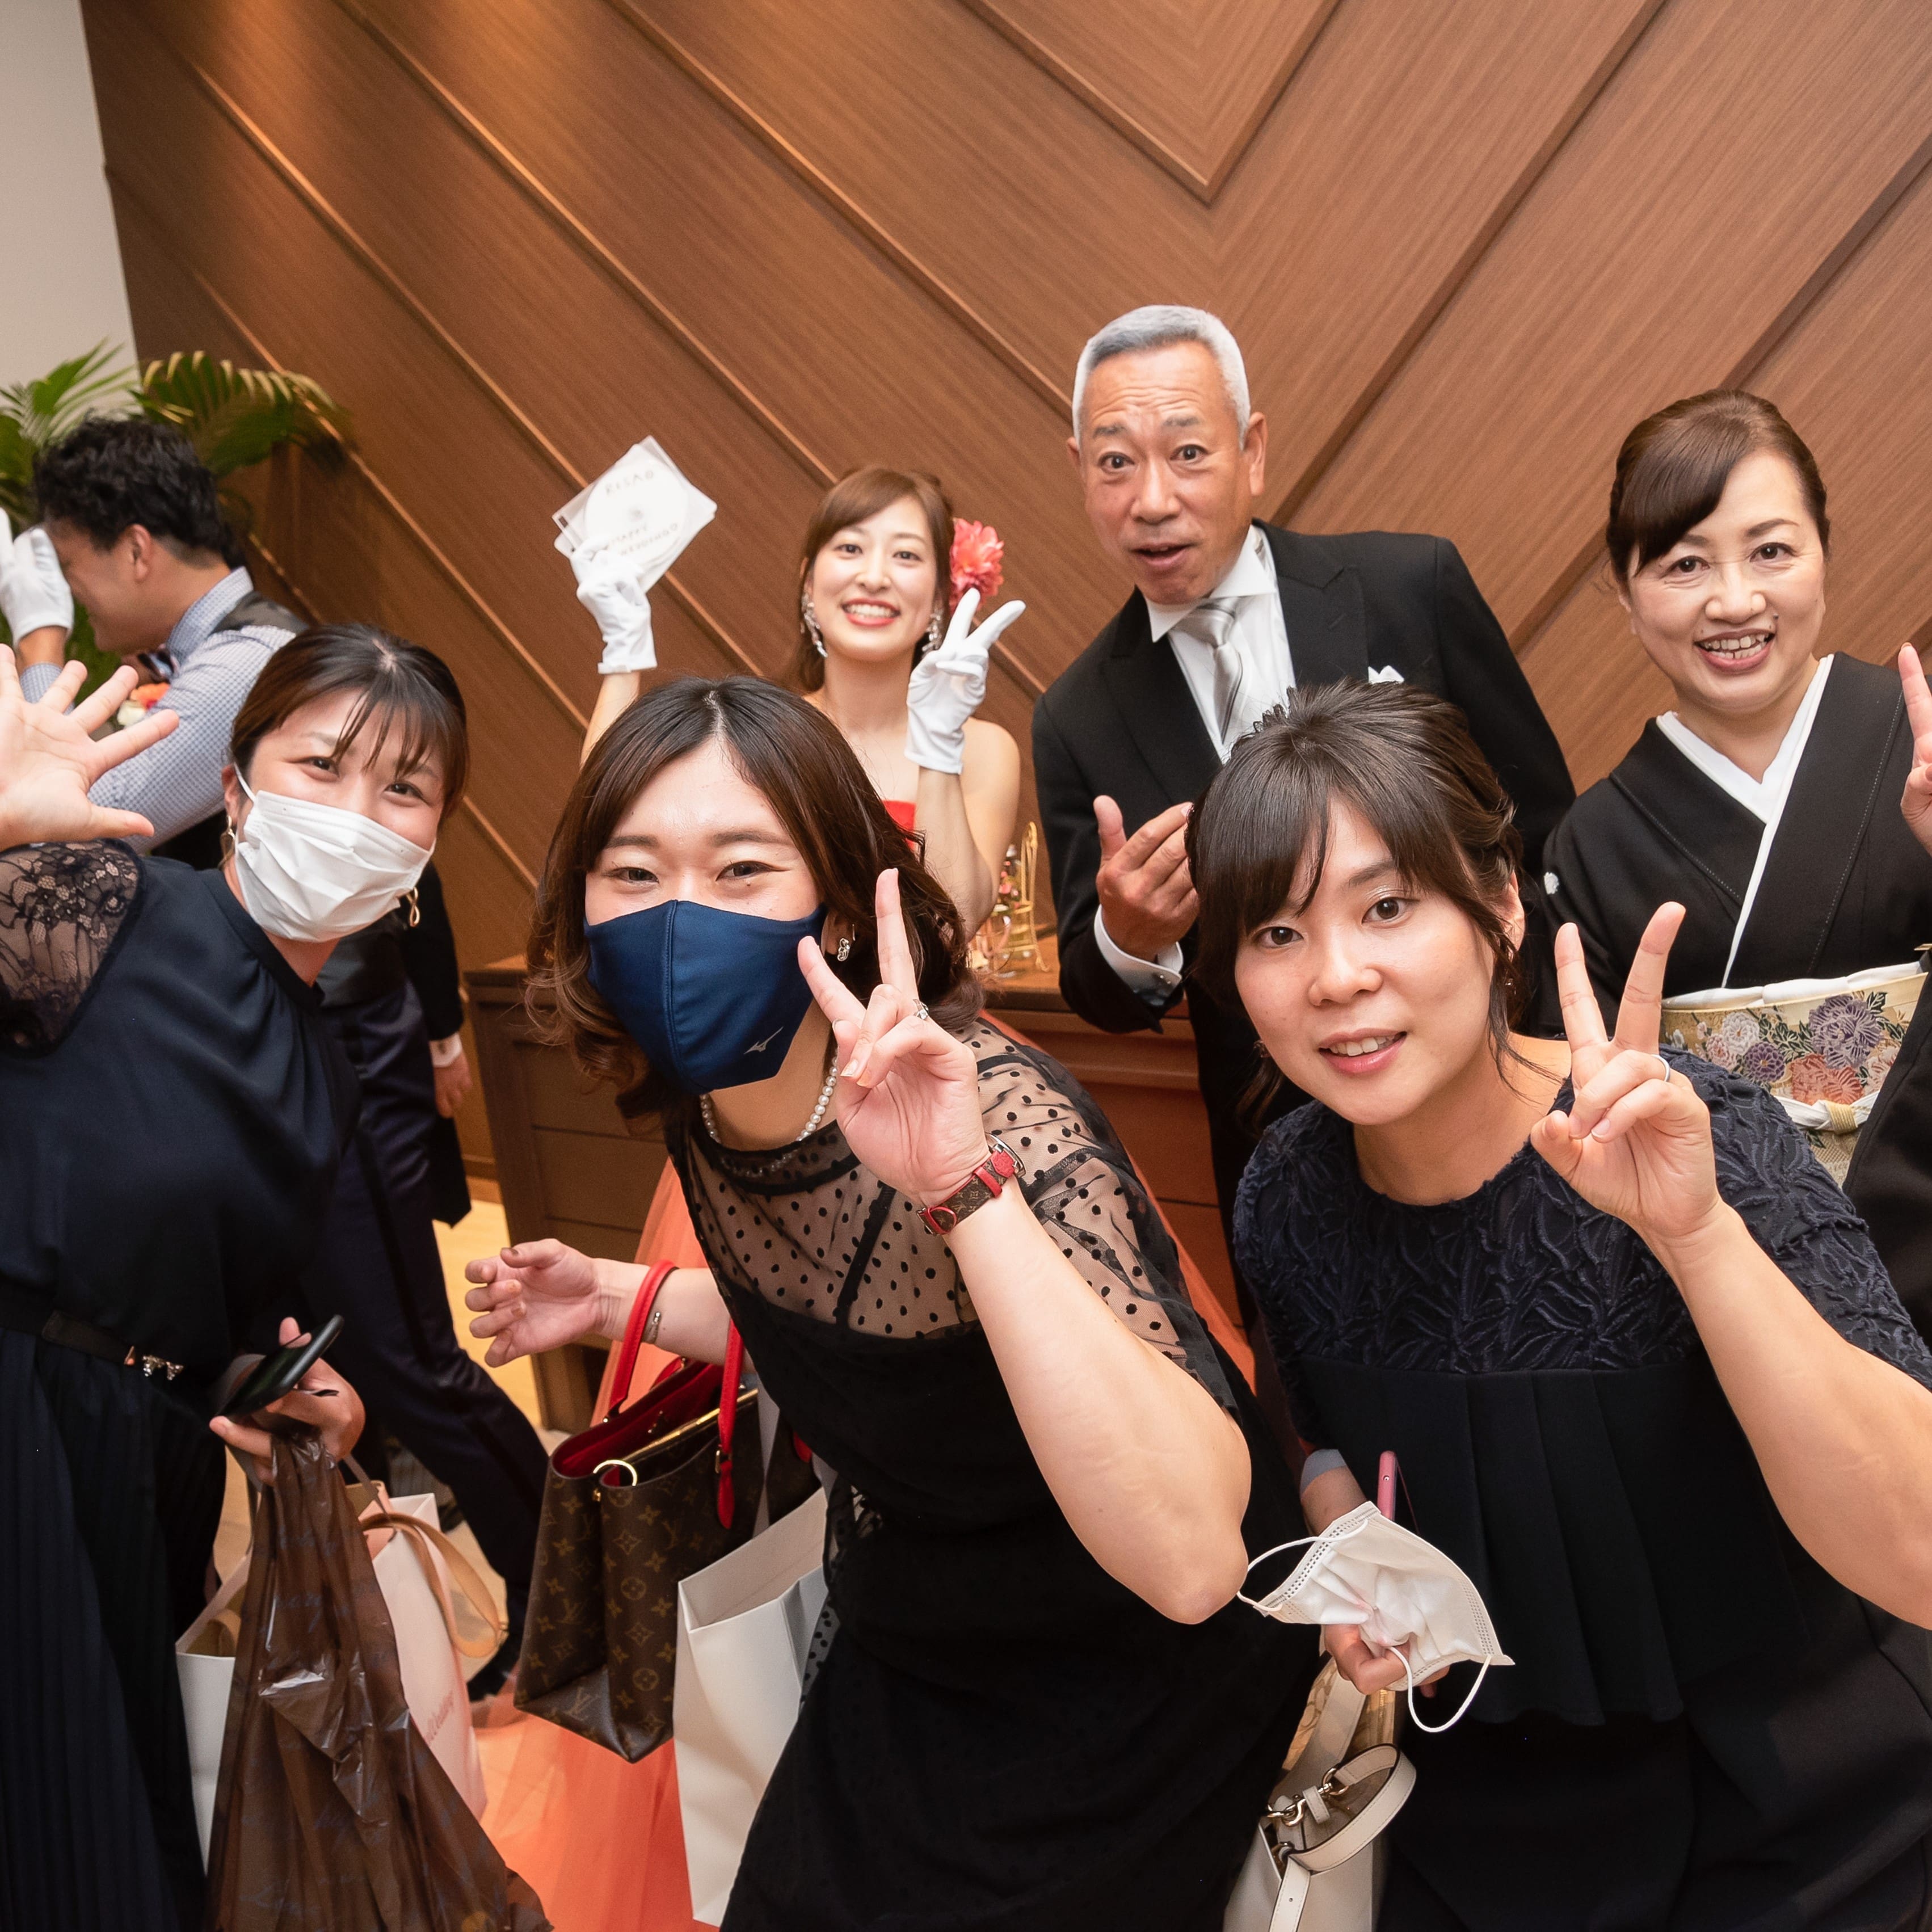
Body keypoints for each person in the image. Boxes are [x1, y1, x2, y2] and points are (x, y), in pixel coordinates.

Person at [465, 676, 1316, 1930]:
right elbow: (858, 1340)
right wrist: (611, 1295)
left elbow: (1193, 1559)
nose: (680, 918)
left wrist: (960, 1188)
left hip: (1124, 1664)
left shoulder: (988, 1111)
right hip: (912, 1619)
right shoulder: (709, 1091)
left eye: (741, 869)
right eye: (633, 873)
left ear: (838, 905)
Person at [1190, 679, 1932, 1926]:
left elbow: (1917, 1550)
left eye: (1387, 906)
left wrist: (1691, 1233)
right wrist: (1359, 1567)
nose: (1336, 976)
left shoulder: (1695, 1134)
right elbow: (1319, 1436)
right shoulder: (1287, 1192)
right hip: (1496, 1822)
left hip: (1806, 1805)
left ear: (1497, 907)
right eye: (1276, 931)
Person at [0, 622, 472, 1929]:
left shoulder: (325, 1067)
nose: (357, 811)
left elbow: (197, 1311)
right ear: (235, 786)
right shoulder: (100, 901)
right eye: (322, 765)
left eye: (403, 788)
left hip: (140, 1472)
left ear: (429, 846)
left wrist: (289, 1396)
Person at [1032, 304, 1575, 1273]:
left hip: (1511, 1107)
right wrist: (1131, 937)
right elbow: (1094, 986)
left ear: (1252, 452)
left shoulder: (1410, 585)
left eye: (1188, 453)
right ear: (1080, 471)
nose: (1152, 499)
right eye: (1115, 463)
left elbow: (1541, 834)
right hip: (1289, 1173)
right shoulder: (1075, 715)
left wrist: (1559, 1042)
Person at [1545, 390, 1932, 1338]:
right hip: (1742, 1298)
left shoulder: (1920, 750)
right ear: (1625, 590)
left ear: (1824, 552)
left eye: (1771, 551)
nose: (1734, 601)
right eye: (1684, 564)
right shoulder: (1591, 846)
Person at [580, 463, 1025, 932]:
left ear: (939, 596)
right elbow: (610, 816)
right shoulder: (761, 733)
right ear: (808, 582)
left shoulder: (983, 749)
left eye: (906, 555)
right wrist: (623, 656)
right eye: (850, 548)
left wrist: (938, 745)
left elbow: (954, 922)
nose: (874, 576)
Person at [15, 415, 305, 861]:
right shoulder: (199, 651)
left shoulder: (246, 663)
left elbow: (69, 833)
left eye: (66, 565)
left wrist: (40, 640)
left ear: (137, 551)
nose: (68, 590)